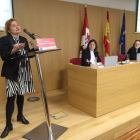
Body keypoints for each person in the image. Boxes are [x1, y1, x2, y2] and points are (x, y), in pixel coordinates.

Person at [0, 18, 39, 138]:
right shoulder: (4, 40)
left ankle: (20, 115)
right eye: (13, 26)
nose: (17, 27)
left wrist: (34, 50)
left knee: (21, 95)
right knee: (11, 98)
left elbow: (26, 55)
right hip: (12, 72)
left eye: (18, 25)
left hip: (24, 71)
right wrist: (13, 50)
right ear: (8, 29)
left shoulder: (24, 39)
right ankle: (8, 125)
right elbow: (4, 57)